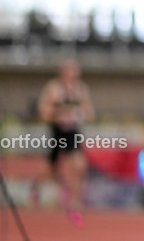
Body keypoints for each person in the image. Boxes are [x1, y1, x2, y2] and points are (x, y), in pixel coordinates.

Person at [36, 59, 94, 226]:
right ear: (62, 72)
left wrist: (81, 112)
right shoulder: (53, 88)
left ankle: (75, 200)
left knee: (79, 165)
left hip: (73, 132)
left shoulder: (80, 88)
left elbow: (89, 112)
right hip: (57, 131)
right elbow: (43, 111)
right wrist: (59, 110)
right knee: (51, 167)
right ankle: (36, 188)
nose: (72, 74)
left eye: (75, 71)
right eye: (69, 70)